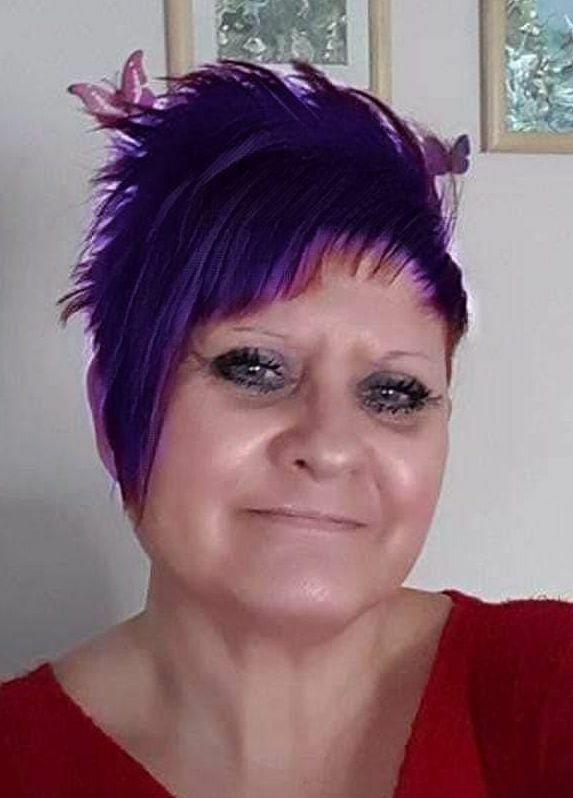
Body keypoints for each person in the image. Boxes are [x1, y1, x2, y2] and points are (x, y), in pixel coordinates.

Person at [1, 53, 573, 798]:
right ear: (114, 408)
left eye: (394, 392)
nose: (329, 446)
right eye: (254, 369)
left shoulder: (548, 689)